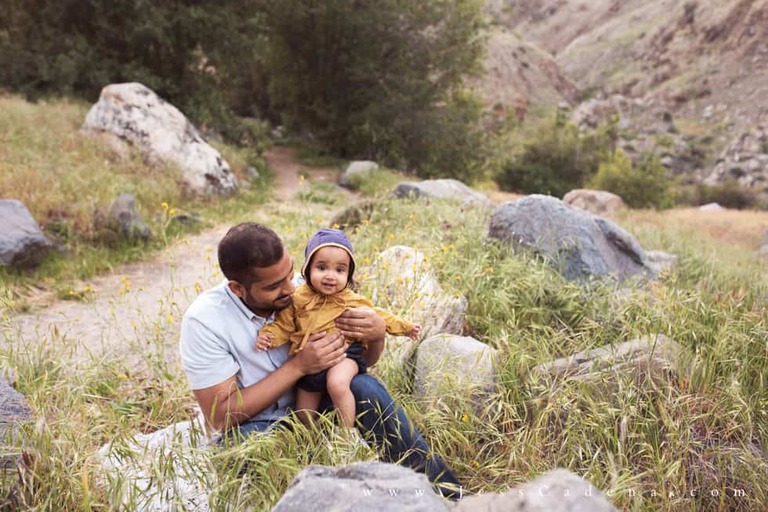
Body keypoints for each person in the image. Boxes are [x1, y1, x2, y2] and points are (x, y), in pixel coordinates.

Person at [179, 222, 462, 499]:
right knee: (241, 450)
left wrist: (376, 336)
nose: (290, 289)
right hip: (259, 422)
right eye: (275, 286)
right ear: (238, 288)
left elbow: (363, 361)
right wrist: (299, 366)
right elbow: (221, 416)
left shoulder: (312, 287)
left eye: (290, 274)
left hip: (322, 404)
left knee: (365, 388)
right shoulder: (205, 321)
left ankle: (448, 494)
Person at [256, 228, 420, 433]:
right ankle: (310, 437)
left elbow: (379, 316)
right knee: (303, 408)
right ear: (307, 269)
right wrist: (268, 337)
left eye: (340, 270)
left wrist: (405, 327)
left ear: (348, 274)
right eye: (322, 267)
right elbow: (284, 325)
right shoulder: (298, 298)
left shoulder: (349, 299)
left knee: (337, 383)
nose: (330, 276)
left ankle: (345, 434)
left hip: (344, 354)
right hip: (312, 360)